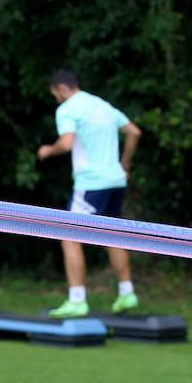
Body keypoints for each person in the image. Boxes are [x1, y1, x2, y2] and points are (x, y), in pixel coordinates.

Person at [38, 69, 143, 317]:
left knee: (69, 235)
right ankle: (127, 293)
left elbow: (66, 143)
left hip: (91, 183)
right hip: (116, 181)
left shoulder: (68, 109)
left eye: (55, 95)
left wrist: (47, 151)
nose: (56, 100)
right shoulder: (102, 105)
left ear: (62, 88)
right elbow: (134, 132)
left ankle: (76, 300)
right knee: (111, 236)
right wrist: (124, 164)